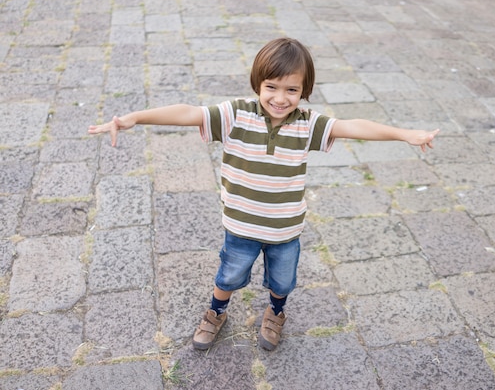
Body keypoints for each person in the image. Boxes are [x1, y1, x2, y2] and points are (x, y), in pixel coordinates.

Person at [88, 37, 439, 351]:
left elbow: (353, 126)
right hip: (240, 226)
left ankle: (276, 313)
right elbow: (189, 112)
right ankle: (216, 311)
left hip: (285, 231)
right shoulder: (235, 115)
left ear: (305, 91)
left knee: (283, 281)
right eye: (272, 87)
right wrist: (135, 117)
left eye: (292, 90)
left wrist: (403, 133)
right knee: (228, 276)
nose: (281, 98)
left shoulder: (307, 124)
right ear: (258, 83)